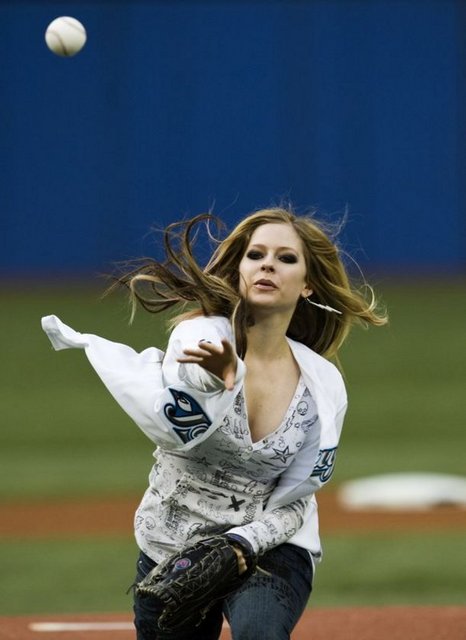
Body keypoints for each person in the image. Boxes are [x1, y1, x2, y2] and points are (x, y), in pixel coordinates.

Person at [42, 207, 387, 640]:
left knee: (260, 632)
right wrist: (217, 379)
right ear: (239, 270)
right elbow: (182, 406)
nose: (267, 265)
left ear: (308, 283)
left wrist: (242, 542)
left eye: (285, 258)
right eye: (255, 254)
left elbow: (298, 501)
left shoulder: (323, 385)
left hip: (268, 543)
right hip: (173, 548)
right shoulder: (200, 336)